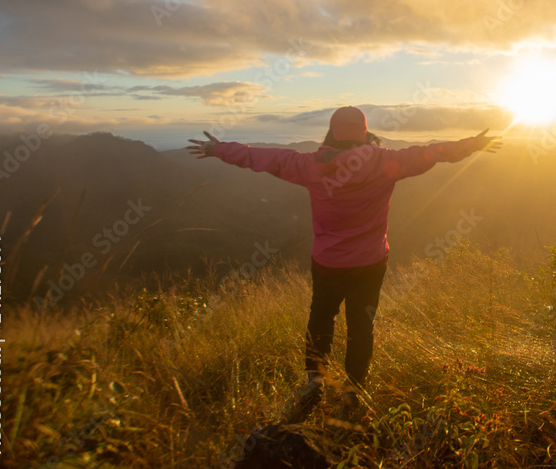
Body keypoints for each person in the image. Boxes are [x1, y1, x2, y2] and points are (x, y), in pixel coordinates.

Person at [187, 106, 501, 421]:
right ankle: (354, 394)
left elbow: (266, 158)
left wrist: (218, 149)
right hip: (371, 262)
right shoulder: (384, 161)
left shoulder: (308, 165)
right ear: (364, 132)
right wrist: (473, 144)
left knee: (321, 318)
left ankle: (315, 382)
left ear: (333, 132)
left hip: (327, 263)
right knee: (361, 327)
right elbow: (431, 153)